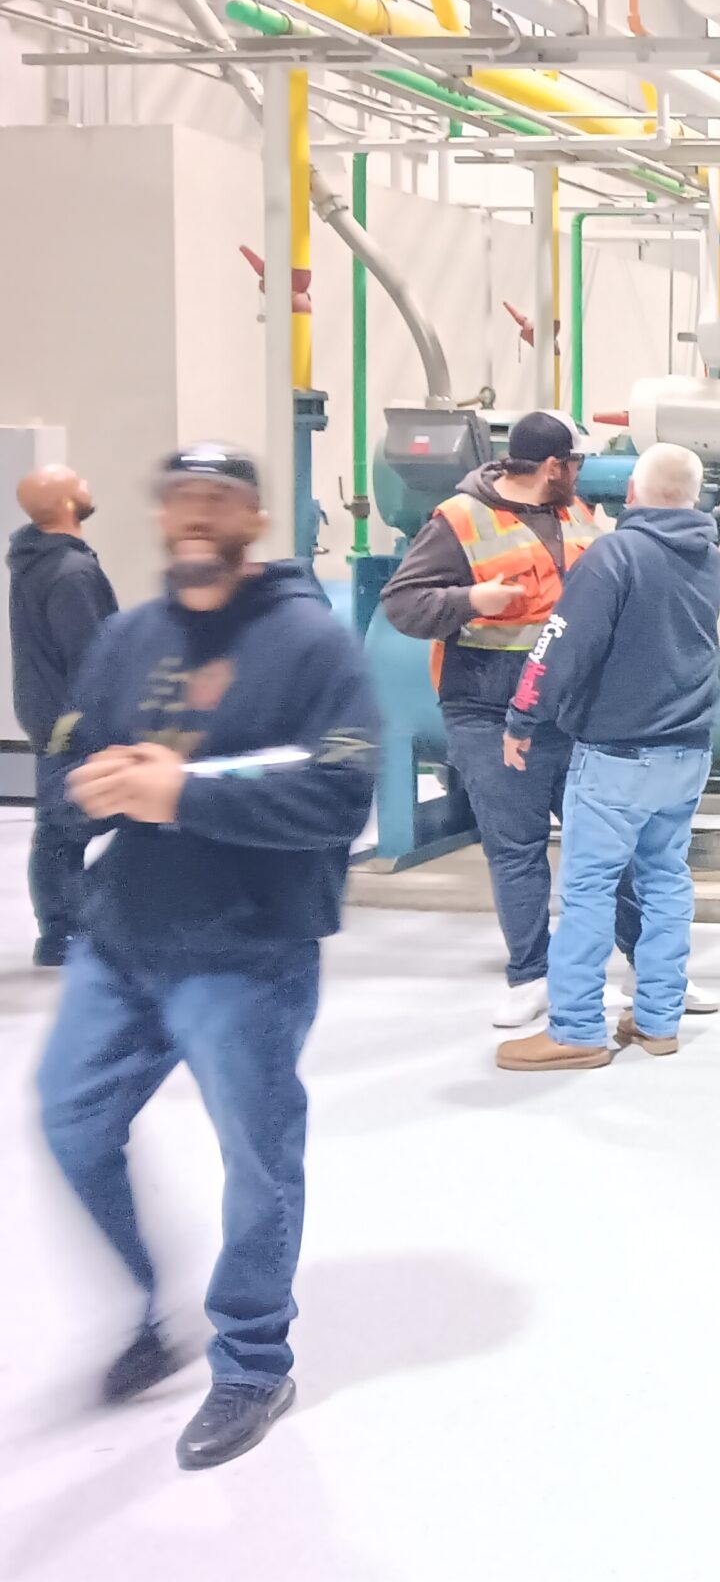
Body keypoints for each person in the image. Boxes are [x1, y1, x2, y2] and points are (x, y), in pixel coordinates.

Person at [38, 444, 377, 1471]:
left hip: (248, 950)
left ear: (253, 518)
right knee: (72, 1120)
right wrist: (90, 789)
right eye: (179, 497)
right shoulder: (130, 636)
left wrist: (182, 791)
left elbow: (338, 795)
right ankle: (150, 1311)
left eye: (216, 500)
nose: (195, 514)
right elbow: (64, 762)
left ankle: (252, 1362)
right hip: (123, 940)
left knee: (257, 1159)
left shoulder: (312, 644)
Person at [378, 413, 700, 1027]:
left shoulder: (575, 512)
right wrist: (470, 600)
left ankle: (649, 969)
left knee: (613, 848)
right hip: (488, 711)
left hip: (572, 712)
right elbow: (402, 602)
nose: (581, 474)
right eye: (576, 463)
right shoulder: (460, 520)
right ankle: (531, 975)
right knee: (517, 846)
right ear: (554, 466)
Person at [495, 443, 720, 1071]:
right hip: (687, 752)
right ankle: (657, 1020)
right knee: (666, 882)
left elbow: (560, 645)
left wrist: (522, 717)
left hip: (617, 756)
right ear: (694, 497)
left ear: (630, 493)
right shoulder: (711, 559)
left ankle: (575, 1030)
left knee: (590, 890)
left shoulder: (615, 555)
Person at [10, 465, 117, 967]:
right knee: (65, 830)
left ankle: (65, 929)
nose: (88, 484)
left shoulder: (36, 561)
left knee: (62, 829)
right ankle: (64, 933)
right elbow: (90, 654)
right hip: (73, 720)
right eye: (82, 482)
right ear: (70, 504)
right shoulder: (71, 572)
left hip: (50, 714)